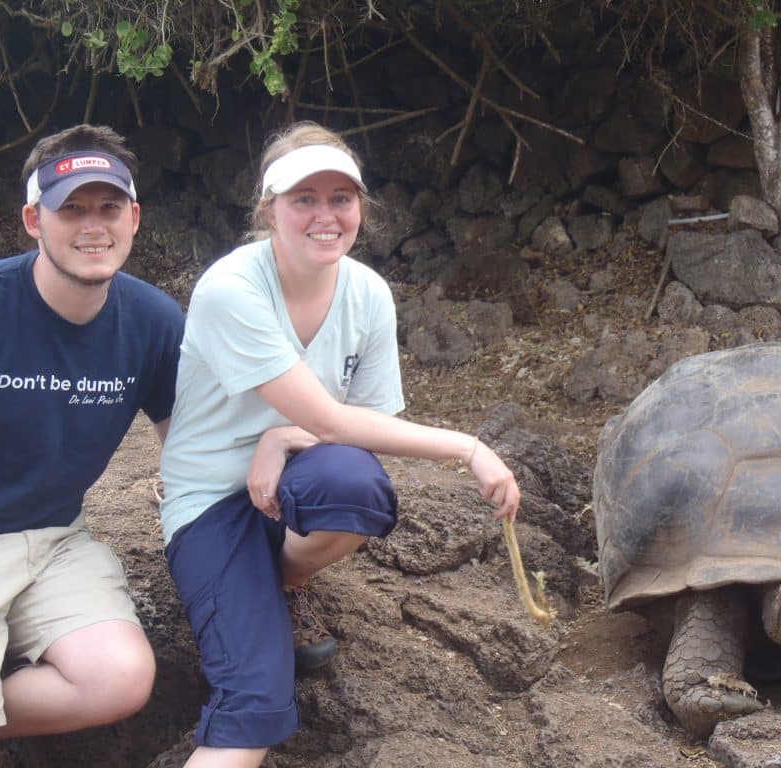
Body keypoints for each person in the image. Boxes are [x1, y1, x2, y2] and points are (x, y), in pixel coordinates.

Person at [158, 120, 520, 767]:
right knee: (257, 700)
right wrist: (468, 446)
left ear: (361, 208)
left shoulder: (369, 294)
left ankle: (279, 588)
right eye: (304, 199)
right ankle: (252, 602)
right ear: (270, 209)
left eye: (341, 198)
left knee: (358, 487)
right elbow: (332, 419)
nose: (325, 216)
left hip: (293, 485)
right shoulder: (230, 289)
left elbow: (352, 431)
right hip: (212, 501)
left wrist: (278, 435)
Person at [0, 124, 185, 767]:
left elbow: (187, 451)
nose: (91, 225)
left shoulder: (154, 321)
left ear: (134, 217)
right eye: (69, 207)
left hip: (55, 538)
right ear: (32, 220)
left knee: (120, 676)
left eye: (107, 207)